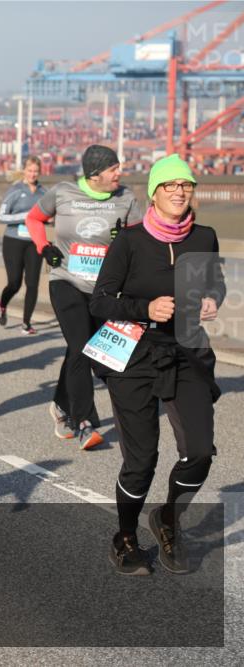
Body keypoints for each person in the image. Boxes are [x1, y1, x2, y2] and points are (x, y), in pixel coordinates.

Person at [88, 154, 224, 576]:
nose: (179, 191)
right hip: (134, 354)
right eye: (170, 185)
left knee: (200, 452)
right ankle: (125, 537)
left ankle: (168, 519)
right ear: (154, 192)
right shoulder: (129, 241)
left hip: (187, 352)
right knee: (141, 460)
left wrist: (211, 299)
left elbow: (213, 281)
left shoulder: (204, 236)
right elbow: (101, 300)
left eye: (186, 185)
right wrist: (145, 306)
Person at [24, 145, 142, 449]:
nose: (120, 173)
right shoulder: (62, 192)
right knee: (80, 347)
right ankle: (85, 422)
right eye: (113, 168)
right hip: (66, 281)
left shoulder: (125, 198)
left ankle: (61, 406)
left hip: (104, 289)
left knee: (84, 350)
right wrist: (43, 247)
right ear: (95, 173)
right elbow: (34, 219)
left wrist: (125, 245)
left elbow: (141, 239)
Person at [0, 156, 46, 335]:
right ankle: (2, 304)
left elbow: (47, 215)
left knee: (32, 284)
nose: (33, 174)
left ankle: (26, 323)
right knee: (14, 283)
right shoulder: (15, 190)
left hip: (34, 241)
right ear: (24, 171)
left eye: (36, 171)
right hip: (14, 241)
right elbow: (1, 216)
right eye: (30, 170)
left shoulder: (43, 193)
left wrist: (49, 218)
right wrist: (25, 216)